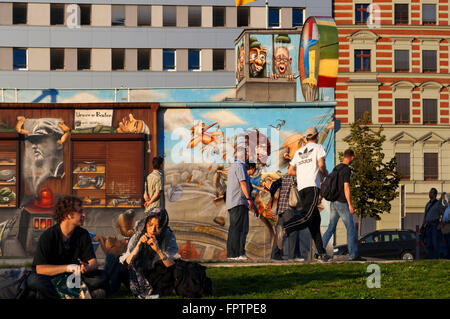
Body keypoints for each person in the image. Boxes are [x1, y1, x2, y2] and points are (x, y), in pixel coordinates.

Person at [27, 195, 108, 299]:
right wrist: (68, 267)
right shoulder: (48, 236)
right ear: (68, 215)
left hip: (74, 277)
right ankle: (81, 294)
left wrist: (87, 268)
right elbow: (40, 269)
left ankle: (53, 294)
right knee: (35, 281)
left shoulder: (83, 234)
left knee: (102, 277)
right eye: (79, 212)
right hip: (52, 276)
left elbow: (93, 262)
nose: (83, 214)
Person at [276, 126, 330, 262]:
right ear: (316, 137)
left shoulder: (299, 152)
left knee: (315, 222)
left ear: (307, 138)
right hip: (312, 186)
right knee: (307, 217)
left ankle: (322, 253)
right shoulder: (318, 148)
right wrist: (325, 174)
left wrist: (301, 174)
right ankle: (286, 229)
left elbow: (290, 171)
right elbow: (321, 164)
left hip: (302, 188)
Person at [120, 207, 178, 299]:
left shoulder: (168, 236)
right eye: (150, 225)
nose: (152, 230)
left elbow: (172, 265)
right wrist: (138, 245)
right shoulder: (138, 235)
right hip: (140, 274)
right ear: (146, 223)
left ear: (163, 226)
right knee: (123, 268)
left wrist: (158, 250)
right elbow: (127, 261)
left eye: (157, 226)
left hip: (157, 274)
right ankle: (145, 288)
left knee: (174, 271)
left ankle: (155, 289)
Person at [321, 149, 364, 261]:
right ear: (351, 157)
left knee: (331, 228)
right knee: (351, 229)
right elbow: (346, 187)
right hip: (342, 203)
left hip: (333, 202)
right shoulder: (346, 170)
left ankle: (319, 251)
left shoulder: (337, 168)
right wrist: (350, 204)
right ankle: (353, 255)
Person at [226, 147, 256, 260]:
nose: (248, 156)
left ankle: (236, 253)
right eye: (246, 154)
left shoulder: (235, 166)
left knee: (237, 228)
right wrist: (248, 199)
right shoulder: (240, 166)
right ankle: (233, 254)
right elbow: (242, 183)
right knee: (236, 228)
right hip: (238, 201)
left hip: (235, 202)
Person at [269, 174, 303, 261]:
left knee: (279, 233)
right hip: (289, 208)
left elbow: (272, 186)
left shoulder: (283, 178)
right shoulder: (295, 178)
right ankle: (293, 256)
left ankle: (275, 255)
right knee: (293, 231)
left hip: (281, 209)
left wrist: (273, 195)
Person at [422, 188, 447, 259]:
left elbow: (444, 214)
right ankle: (430, 257)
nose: (430, 194)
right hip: (428, 225)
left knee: (435, 242)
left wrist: (440, 224)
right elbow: (425, 216)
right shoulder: (428, 204)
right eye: (430, 192)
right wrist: (422, 226)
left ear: (435, 194)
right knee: (428, 243)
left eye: (432, 192)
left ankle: (436, 258)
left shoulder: (438, 204)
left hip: (435, 224)